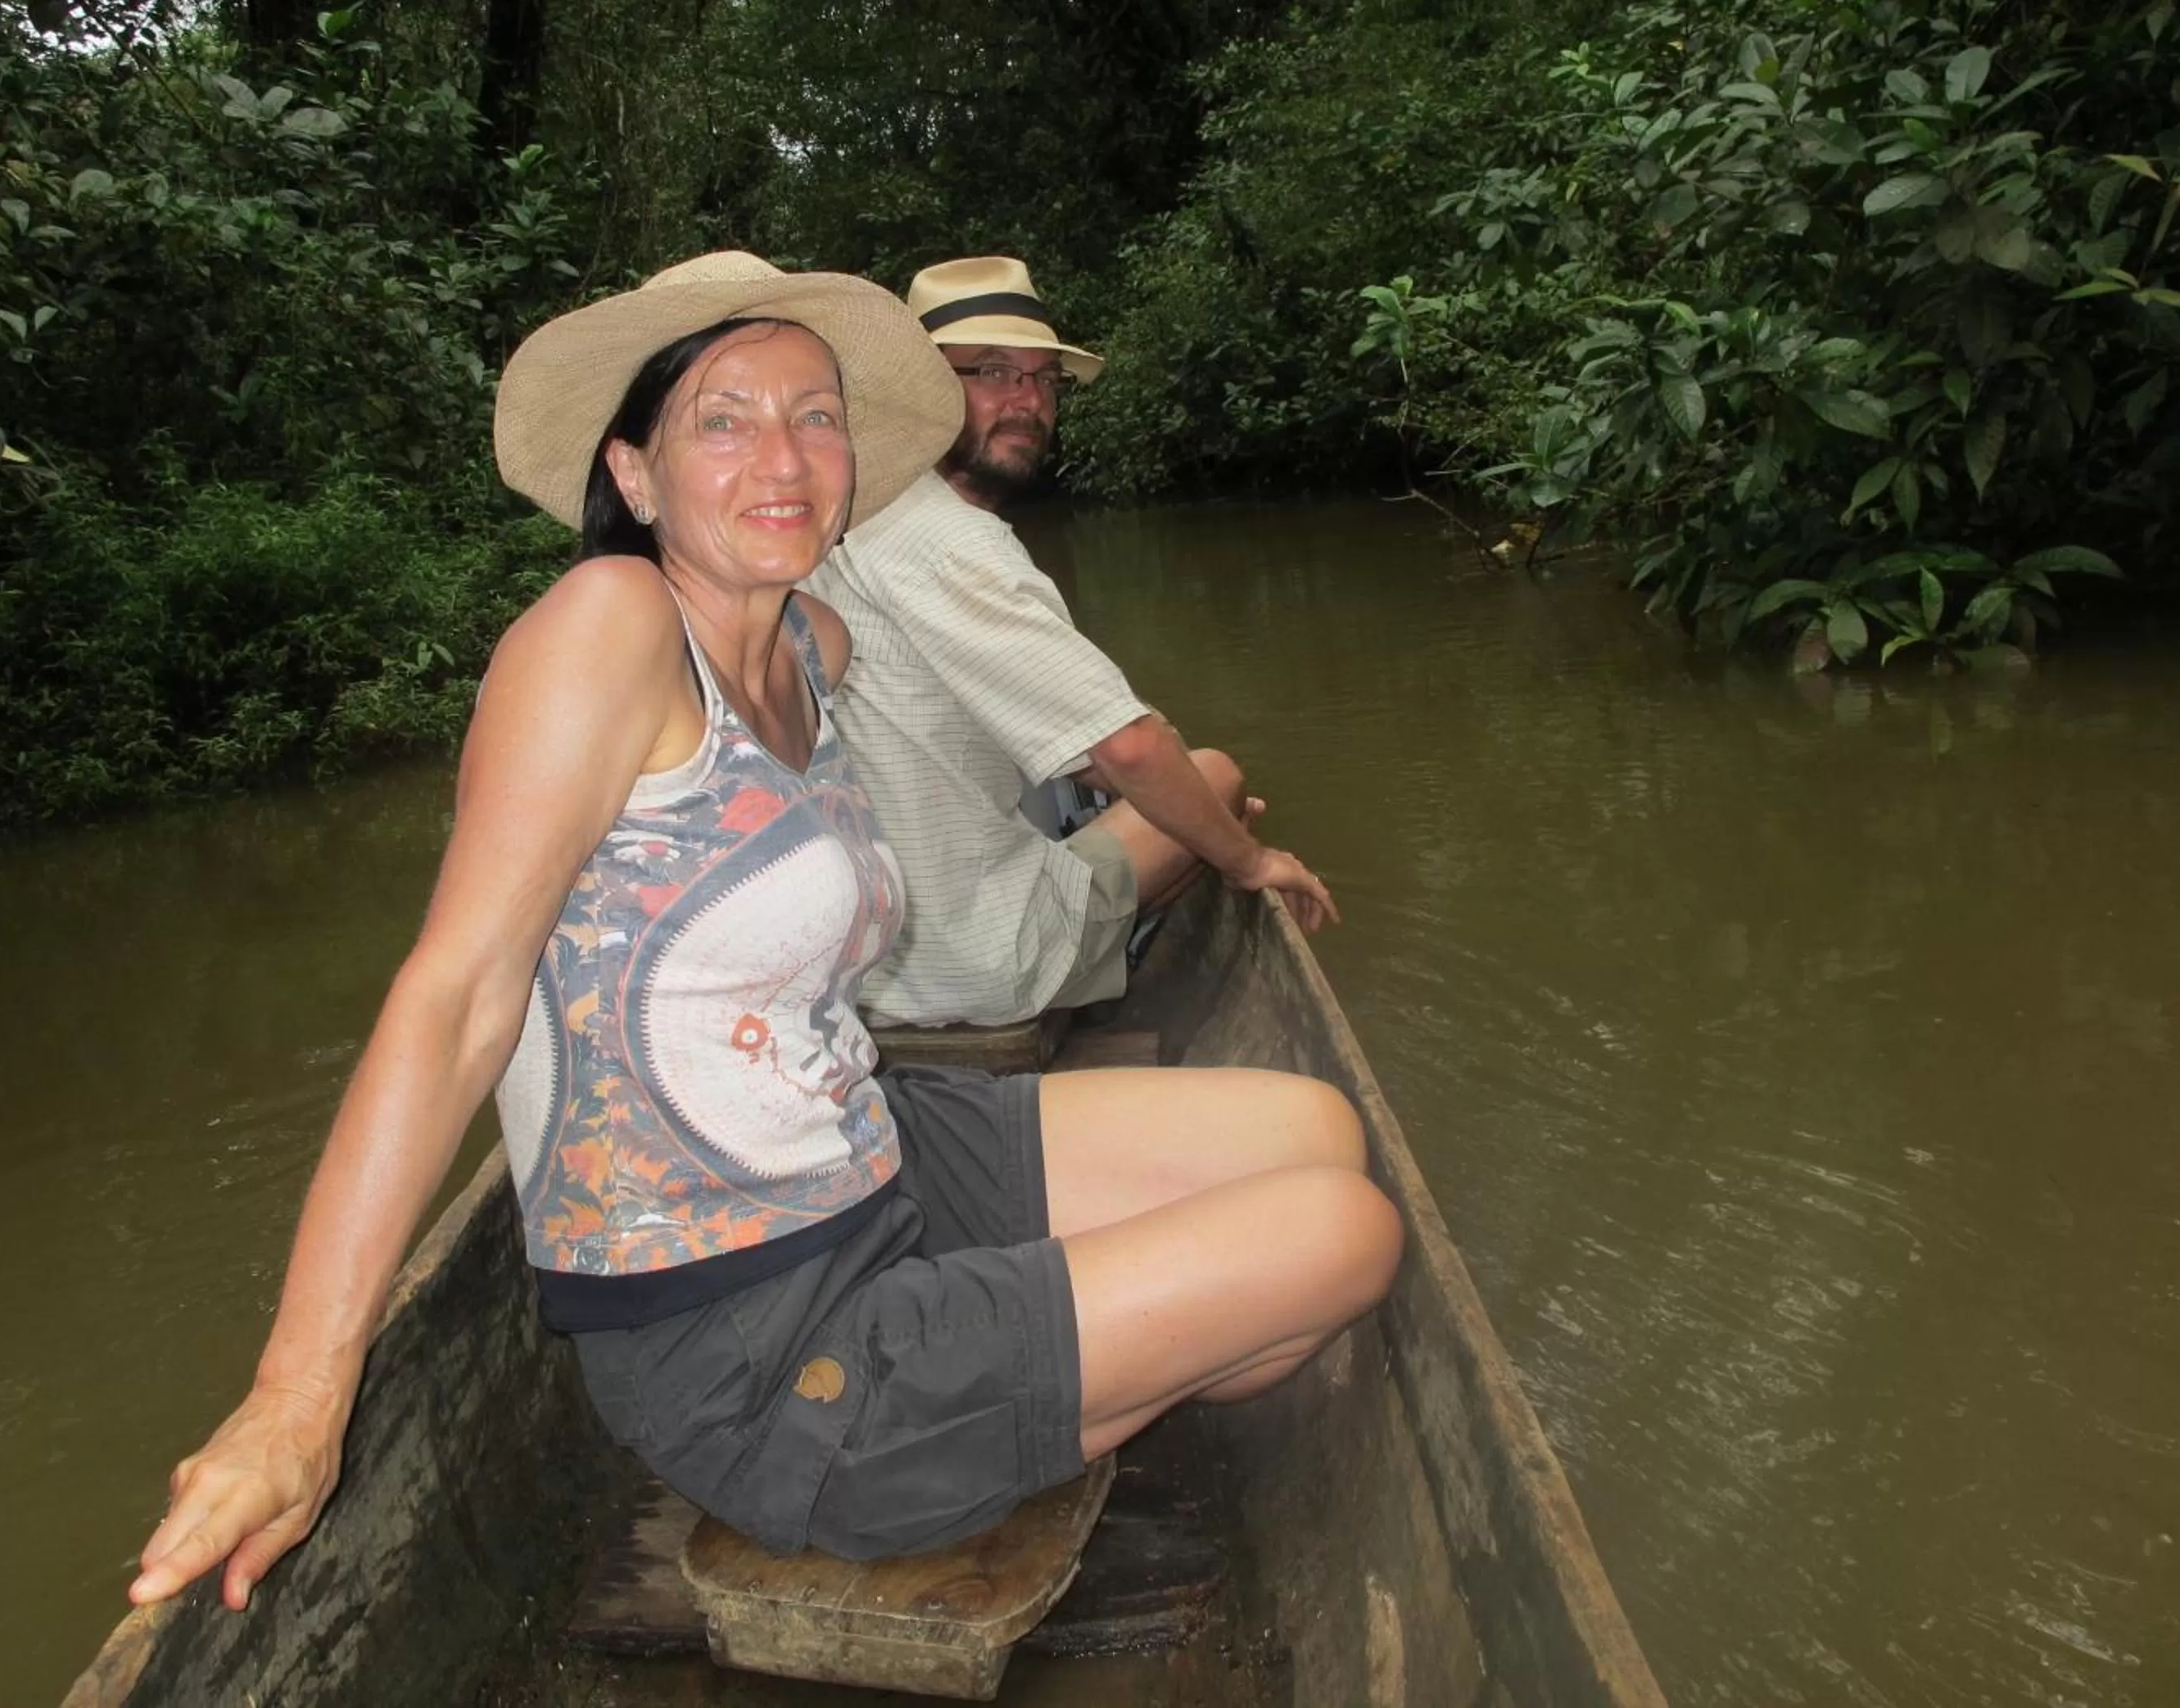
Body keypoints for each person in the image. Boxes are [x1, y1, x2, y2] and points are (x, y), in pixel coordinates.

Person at [128, 251, 1403, 1611]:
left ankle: (1046, 1374)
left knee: (1314, 1134)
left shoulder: (807, 648)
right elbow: (454, 999)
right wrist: (295, 1398)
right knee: (1348, 1235)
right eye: (723, 421)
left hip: (870, 1155)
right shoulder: (605, 630)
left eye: (816, 415)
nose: (782, 457)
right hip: (748, 1335)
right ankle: (990, 1412)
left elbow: (902, 642)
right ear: (632, 475)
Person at [809, 255, 1338, 1031]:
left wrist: (1175, 802)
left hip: (856, 959)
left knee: (1169, 786)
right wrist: (1241, 853)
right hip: (969, 963)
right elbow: (1126, 748)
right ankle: (1110, 950)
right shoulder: (953, 543)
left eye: (1044, 379)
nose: (1027, 401)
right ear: (918, 389)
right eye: (991, 372)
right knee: (1213, 776)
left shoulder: (837, 516)